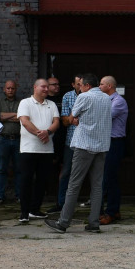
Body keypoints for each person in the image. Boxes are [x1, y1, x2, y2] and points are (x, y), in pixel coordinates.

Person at [46, 73, 112, 233]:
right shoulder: (106, 98)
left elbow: (72, 116)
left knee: (74, 184)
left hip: (84, 144)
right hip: (102, 145)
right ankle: (94, 223)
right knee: (97, 186)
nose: (79, 88)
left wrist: (75, 118)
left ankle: (63, 222)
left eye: (81, 85)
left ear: (87, 86)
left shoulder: (84, 96)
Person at [16, 79, 60, 223]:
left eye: (47, 87)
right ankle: (24, 212)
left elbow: (56, 122)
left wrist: (48, 132)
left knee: (42, 181)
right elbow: (25, 121)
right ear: (35, 87)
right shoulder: (25, 103)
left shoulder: (52, 104)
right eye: (43, 87)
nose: (46, 89)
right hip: (28, 148)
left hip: (46, 150)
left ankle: (35, 210)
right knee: (26, 180)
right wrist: (40, 134)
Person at [98, 76, 128, 225]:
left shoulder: (118, 101)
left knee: (110, 177)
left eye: (101, 84)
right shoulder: (105, 100)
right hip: (106, 142)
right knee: (108, 177)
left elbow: (105, 117)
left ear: (109, 86)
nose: (99, 86)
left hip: (115, 143)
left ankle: (111, 212)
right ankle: (114, 210)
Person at [0, 80, 22, 205]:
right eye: (8, 88)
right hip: (2, 139)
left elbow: (23, 117)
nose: (10, 90)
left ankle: (19, 196)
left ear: (15, 89)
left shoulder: (21, 102)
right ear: (4, 89)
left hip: (18, 139)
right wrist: (15, 115)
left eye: (12, 88)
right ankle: (0, 196)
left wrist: (5, 117)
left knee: (19, 169)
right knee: (1, 168)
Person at [56, 74, 82, 211]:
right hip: (71, 141)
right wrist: (72, 119)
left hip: (88, 142)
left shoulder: (91, 96)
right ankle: (61, 202)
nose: (80, 86)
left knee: (92, 173)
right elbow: (65, 121)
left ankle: (92, 201)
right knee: (66, 172)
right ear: (73, 84)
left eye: (82, 84)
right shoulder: (67, 96)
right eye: (78, 84)